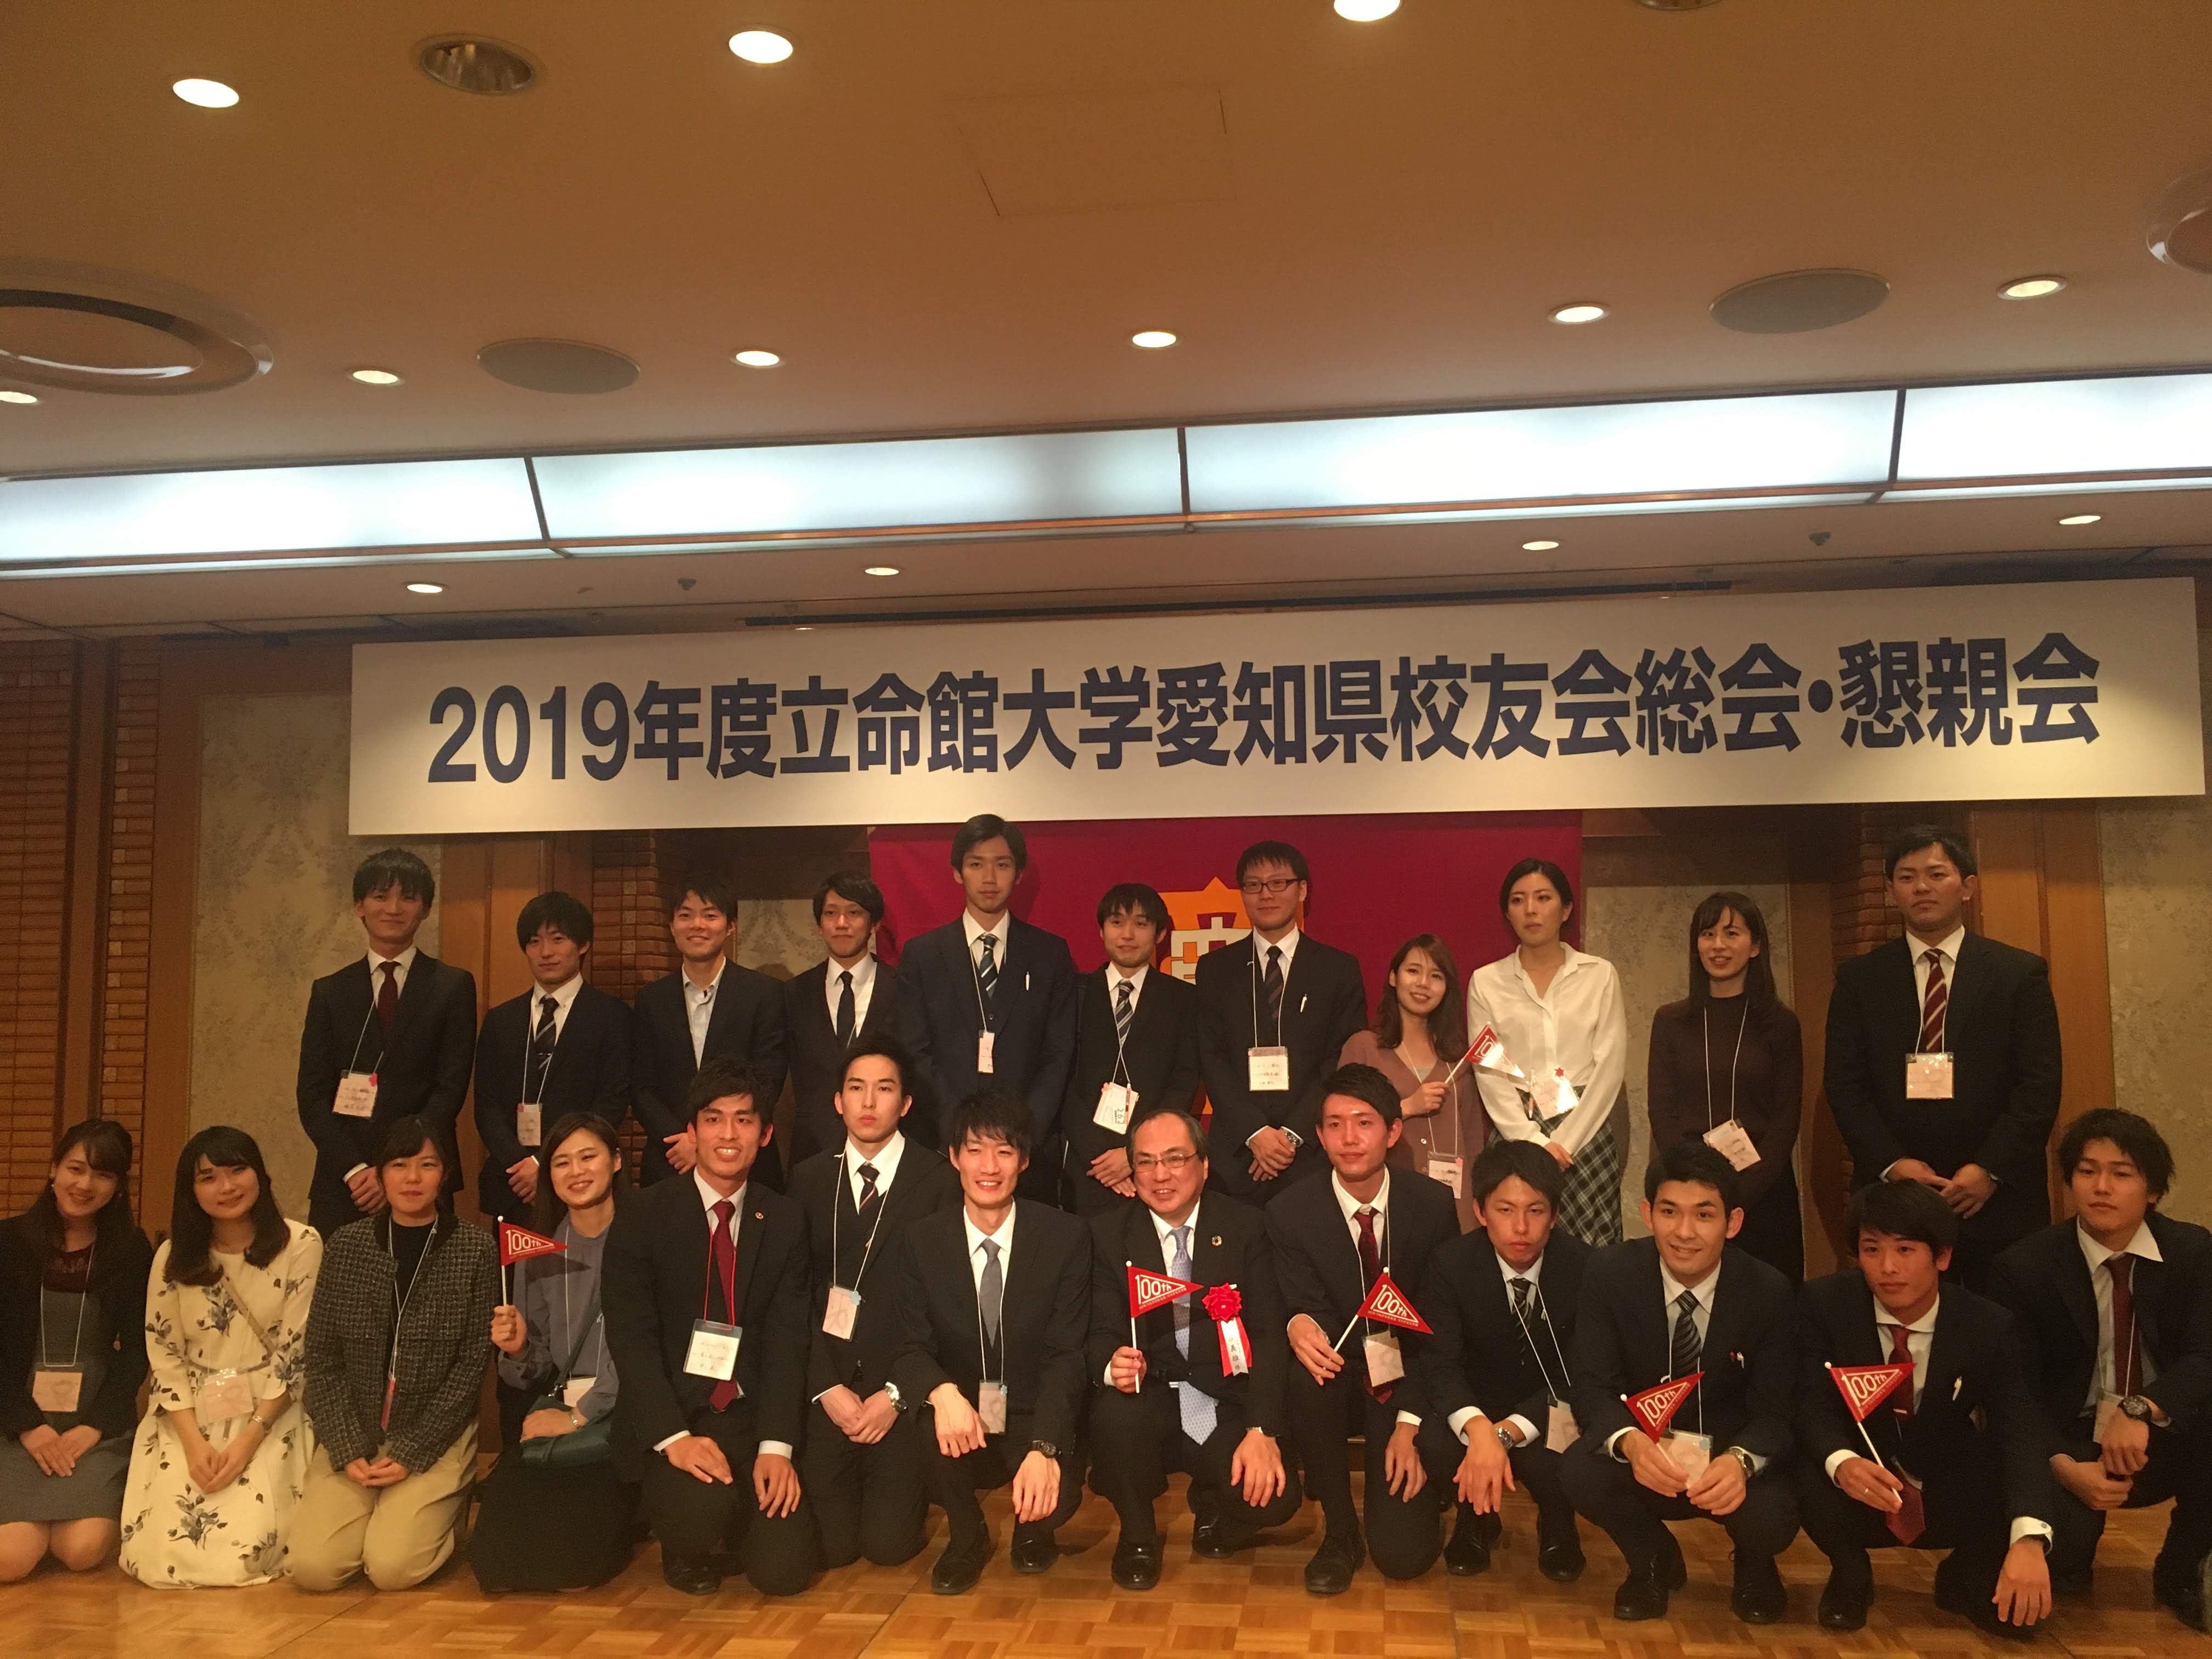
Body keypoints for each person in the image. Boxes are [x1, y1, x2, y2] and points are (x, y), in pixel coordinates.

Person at [1796, 1180, 2052, 1640]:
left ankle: (1966, 1573)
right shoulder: (1824, 1304)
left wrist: (2029, 1538)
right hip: (1859, 1483)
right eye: (1871, 1250)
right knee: (1806, 1460)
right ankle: (1850, 1573)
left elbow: (2021, 1429)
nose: (1888, 1268)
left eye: (1905, 1249)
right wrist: (1842, 1461)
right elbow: (1809, 1403)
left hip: (1942, 1477)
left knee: (2015, 1614)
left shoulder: (1987, 1325)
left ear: (1943, 1257)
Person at [1989, 1109, 2212, 1630]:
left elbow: (2205, 1356)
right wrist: (2060, 1465)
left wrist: (2143, 1408)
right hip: (2071, 1439)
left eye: (2122, 1173)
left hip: (2161, 1428)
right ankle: (2070, 1554)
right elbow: (2015, 1394)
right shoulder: (2024, 1267)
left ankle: (2182, 1567)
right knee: (2061, 1560)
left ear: (2153, 1190)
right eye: (2087, 1171)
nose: (2101, 1187)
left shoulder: (2194, 1253)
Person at [1562, 1140, 1798, 1624]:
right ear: (1647, 1214)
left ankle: (1754, 1563)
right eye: (1670, 1212)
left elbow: (1778, 1408)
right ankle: (1652, 1558)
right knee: (1580, 1470)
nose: (1685, 1232)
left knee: (1774, 1514)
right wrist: (1629, 1442)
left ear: (1733, 1222)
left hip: (1726, 1457)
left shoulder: (1769, 1290)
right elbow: (1591, 1385)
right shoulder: (1610, 1273)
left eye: (1704, 1215)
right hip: (1648, 1449)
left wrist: (1741, 1461)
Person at [602, 1060, 814, 1598]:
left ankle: (739, 1520)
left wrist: (777, 1447)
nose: (728, 1134)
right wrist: (675, 1440)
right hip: (678, 1414)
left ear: (765, 1134)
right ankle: (688, 1539)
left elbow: (789, 1342)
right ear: (692, 1132)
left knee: (785, 1571)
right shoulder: (644, 1214)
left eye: (744, 1120)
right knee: (697, 1514)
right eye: (714, 1119)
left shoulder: (783, 1219)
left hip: (749, 1413)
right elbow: (631, 1340)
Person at [1825, 825, 2062, 1292]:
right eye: (1907, 877)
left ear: (1967, 887)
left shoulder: (2018, 974)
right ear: (1891, 891)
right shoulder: (1859, 980)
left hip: (1997, 1200)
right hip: (1894, 1200)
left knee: (2002, 1322)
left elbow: (2039, 1085)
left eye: (1936, 874)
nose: (1922, 887)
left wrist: (1988, 1169)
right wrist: (1893, 1165)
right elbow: (1845, 1087)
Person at [879, 1087, 1091, 1594]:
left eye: (1004, 1151)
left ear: (1024, 1160)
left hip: (1031, 1413)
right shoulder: (921, 1240)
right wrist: (942, 1393)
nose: (989, 1166)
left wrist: (1045, 1446)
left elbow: (1067, 1355)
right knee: (927, 1422)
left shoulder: (1064, 1237)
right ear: (954, 1158)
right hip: (963, 1417)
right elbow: (907, 1346)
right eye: (975, 1150)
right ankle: (967, 1534)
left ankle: (1033, 1528)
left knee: (1057, 1494)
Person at [1087, 1110, 1301, 1590]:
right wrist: (1110, 1364)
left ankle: (1217, 1510)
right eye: (1145, 1162)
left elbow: (1269, 1334)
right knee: (1115, 1416)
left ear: (1204, 1165)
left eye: (1175, 1159)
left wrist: (1262, 1428)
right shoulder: (1107, 1234)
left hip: (1224, 1396)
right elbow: (1099, 1331)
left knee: (1275, 1499)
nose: (1160, 1175)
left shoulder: (1247, 1227)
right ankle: (1138, 1536)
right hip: (1151, 1395)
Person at [1267, 1063, 1459, 1595]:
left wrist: (1410, 1423)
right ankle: (1340, 1532)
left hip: (1409, 1376)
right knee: (1307, 1377)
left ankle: (1423, 1491)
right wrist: (1298, 1323)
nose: (1349, 1138)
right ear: (1319, 1134)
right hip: (1343, 1373)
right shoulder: (1289, 1211)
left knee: (1404, 1557)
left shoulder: (1431, 1205)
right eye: (1334, 1125)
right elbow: (1305, 1305)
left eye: (1364, 1123)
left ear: (1393, 1131)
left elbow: (1441, 1329)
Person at [290, 1117, 497, 1592]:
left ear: (444, 1175)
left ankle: (441, 1513)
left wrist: (412, 1451)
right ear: (380, 1174)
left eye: (427, 1165)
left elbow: (470, 1368)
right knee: (314, 1568)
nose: (412, 1178)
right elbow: (321, 1358)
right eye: (400, 1165)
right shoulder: (347, 1245)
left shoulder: (475, 1249)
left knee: (392, 1568)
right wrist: (346, 1447)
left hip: (434, 1433)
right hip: (358, 1430)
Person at [120, 1127, 322, 1588]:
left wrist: (249, 1440)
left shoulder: (301, 1244)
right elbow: (165, 1354)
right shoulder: (172, 1256)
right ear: (190, 1190)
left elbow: (296, 1352)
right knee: (160, 1556)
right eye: (208, 1177)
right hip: (190, 1414)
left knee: (244, 1551)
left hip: (273, 1409)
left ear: (260, 1175)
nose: (226, 1187)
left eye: (237, 1171)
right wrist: (194, 1444)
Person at [791, 1037, 961, 1572]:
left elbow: (948, 1308)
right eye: (856, 1088)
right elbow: (792, 1297)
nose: (868, 1102)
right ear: (837, 1101)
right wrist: (825, 1387)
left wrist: (897, 1394)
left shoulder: (938, 1180)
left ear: (905, 1103)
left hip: (899, 1392)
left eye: (884, 1089)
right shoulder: (808, 1179)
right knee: (835, 1549)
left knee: (888, 1547)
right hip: (830, 1386)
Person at [1413, 1139, 1591, 1582]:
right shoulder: (1451, 1264)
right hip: (1476, 1401)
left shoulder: (1585, 1266)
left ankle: (1558, 1519)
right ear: (1480, 1211)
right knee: (1435, 1443)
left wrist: (1504, 1434)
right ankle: (1475, 1516)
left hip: (1548, 1406)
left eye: (1536, 1211)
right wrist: (1480, 1431)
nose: (1521, 1228)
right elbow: (1440, 1363)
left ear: (1555, 1214)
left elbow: (1583, 1371)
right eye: (1505, 1210)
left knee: (1563, 1450)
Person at [473, 1111, 636, 1592]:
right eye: (561, 1162)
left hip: (629, 1412)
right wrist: (519, 1347)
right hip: (565, 1408)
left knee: (573, 1568)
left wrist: (580, 1417)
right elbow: (536, 1367)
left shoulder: (648, 1236)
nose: (576, 1172)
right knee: (494, 1562)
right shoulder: (541, 1249)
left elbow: (646, 1353)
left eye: (588, 1157)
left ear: (617, 1161)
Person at [295, 847, 477, 1238]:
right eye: (380, 896)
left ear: (425, 908)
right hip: (347, 1182)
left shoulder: (452, 986)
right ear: (359, 906)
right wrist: (357, 1170)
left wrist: (399, 1168)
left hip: (422, 1176)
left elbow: (449, 1090)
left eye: (407, 898)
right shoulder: (330, 991)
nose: (393, 908)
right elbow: (312, 1097)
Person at [0, 1120, 151, 1583]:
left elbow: (138, 1351)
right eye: (76, 1169)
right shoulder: (8, 1241)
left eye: (103, 1175)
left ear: (118, 1186)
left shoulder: (131, 1250)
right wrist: (28, 1426)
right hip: (15, 1420)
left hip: (94, 1422)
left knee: (81, 1550)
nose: (85, 1185)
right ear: (54, 1170)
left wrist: (94, 1426)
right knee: (10, 1559)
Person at [896, 814, 1079, 1196]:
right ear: (957, 872)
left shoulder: (1049, 953)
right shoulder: (923, 955)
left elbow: (1059, 1054)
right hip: (943, 1148)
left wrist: (1024, 1134)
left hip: (1027, 1152)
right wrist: (959, 1134)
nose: (990, 878)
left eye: (1002, 865)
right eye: (976, 864)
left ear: (1019, 873)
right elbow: (915, 1051)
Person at [1466, 858, 1628, 1247]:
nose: (1531, 910)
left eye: (1543, 898)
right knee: (1518, 1240)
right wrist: (1533, 1143)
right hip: (1516, 1127)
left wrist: (1566, 1142)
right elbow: (1488, 1068)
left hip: (1586, 1128)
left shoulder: (1599, 974)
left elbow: (1610, 1065)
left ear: (1566, 909)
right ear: (1507, 914)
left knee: (1591, 1251)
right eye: (1518, 900)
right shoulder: (1486, 982)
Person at [1195, 840, 1367, 1205]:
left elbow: (1341, 1060)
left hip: (1311, 1152)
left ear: (1302, 890)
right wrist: (1255, 1132)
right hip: (1237, 1155)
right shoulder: (1215, 969)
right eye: (1253, 885)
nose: (1265, 894)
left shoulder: (1337, 969)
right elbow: (1212, 1058)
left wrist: (1290, 1135)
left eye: (1278, 883)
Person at [1647, 892, 1805, 1282]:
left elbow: (1786, 1120)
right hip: (1687, 1190)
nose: (1718, 945)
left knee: (1767, 1299)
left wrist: (1738, 1195)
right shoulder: (1671, 1021)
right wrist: (1695, 1186)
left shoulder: (1780, 1024)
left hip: (1763, 1190)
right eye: (1708, 934)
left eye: (1731, 934)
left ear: (1755, 946)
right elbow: (1662, 1111)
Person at [472, 890, 633, 1221]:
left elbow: (611, 1102)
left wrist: (547, 1164)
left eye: (558, 939)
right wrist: (520, 1163)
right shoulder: (501, 1020)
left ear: (583, 944)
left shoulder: (612, 1017)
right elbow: (487, 1105)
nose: (545, 952)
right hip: (513, 1184)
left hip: (583, 1182)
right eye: (535, 942)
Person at [633, 872, 789, 1189]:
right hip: (672, 1158)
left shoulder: (764, 994)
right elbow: (641, 1086)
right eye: (685, 916)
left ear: (730, 926)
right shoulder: (651, 999)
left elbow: (769, 1079)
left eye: (710, 915)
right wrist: (686, 1140)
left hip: (745, 1160)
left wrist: (709, 1140)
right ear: (672, 925)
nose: (697, 925)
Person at [1059, 882, 1201, 1216]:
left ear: (1160, 933)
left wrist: (1134, 1153)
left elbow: (1184, 1083)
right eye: (1116, 922)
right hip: (1087, 1166)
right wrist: (1098, 1156)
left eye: (1140, 924)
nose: (1127, 934)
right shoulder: (1075, 994)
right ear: (1101, 930)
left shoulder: (1183, 999)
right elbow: (1060, 1080)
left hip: (1156, 1166)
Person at [1340, 934, 1485, 1231]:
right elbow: (1344, 1126)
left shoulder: (1458, 1058)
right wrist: (1406, 1107)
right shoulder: (1364, 1047)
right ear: (1394, 977)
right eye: (1413, 971)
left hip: (1455, 1205)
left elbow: (1473, 1142)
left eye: (1436, 976)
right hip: (1388, 1204)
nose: (1423, 984)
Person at [783, 871, 902, 1167]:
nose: (841, 923)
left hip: (887, 1147)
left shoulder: (903, 988)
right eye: (831, 914)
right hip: (813, 1150)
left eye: (854, 913)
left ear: (874, 923)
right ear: (819, 925)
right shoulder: (793, 993)